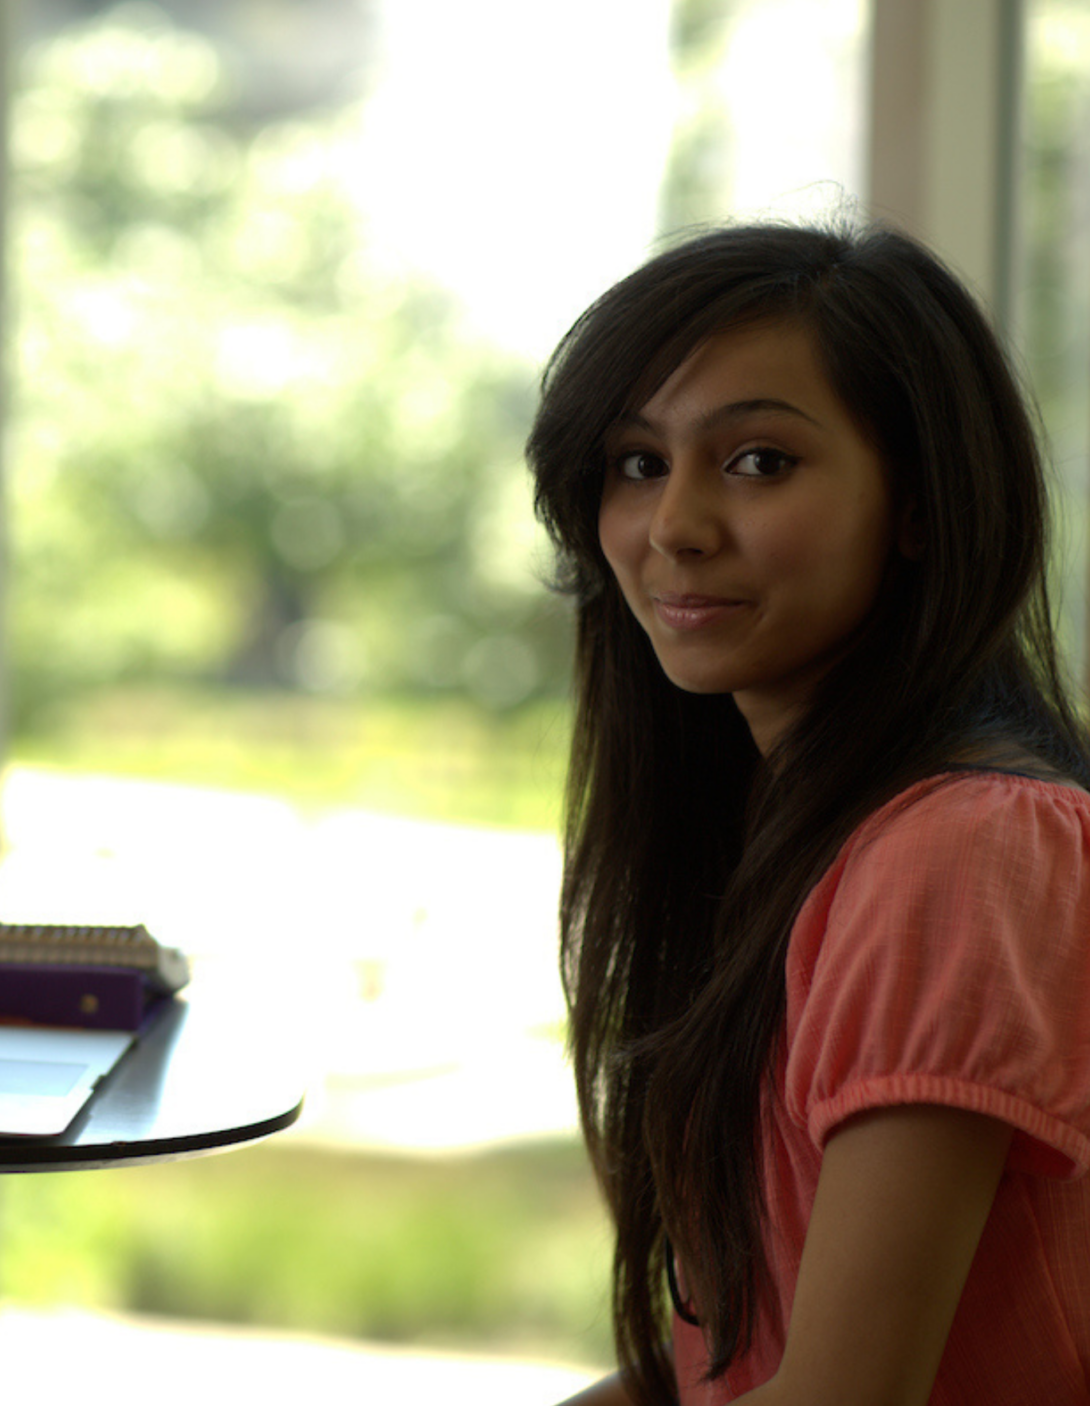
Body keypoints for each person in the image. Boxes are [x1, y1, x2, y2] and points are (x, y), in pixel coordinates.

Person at [524, 221, 1090, 1406]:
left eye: (758, 461)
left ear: (922, 503)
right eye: (636, 463)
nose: (673, 524)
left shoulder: (959, 848)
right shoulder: (785, 823)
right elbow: (729, 1361)